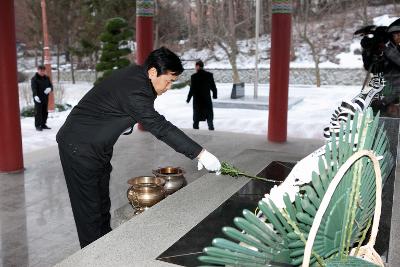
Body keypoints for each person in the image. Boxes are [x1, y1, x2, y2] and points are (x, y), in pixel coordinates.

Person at [56, 47, 221, 248]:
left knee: (101, 206)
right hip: (79, 147)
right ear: (153, 72)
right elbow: (160, 127)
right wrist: (200, 154)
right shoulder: (134, 89)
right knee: (89, 213)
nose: (169, 87)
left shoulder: (140, 77)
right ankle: (93, 256)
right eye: (168, 81)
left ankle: (105, 250)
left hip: (97, 147)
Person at [361, 19, 400, 117]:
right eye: (397, 35)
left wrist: (386, 47)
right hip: (384, 93)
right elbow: (372, 67)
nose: (399, 37)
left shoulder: (391, 49)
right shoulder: (387, 48)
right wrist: (369, 50)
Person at [186, 60, 218, 130]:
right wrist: (214, 95)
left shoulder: (194, 76)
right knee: (209, 116)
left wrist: (188, 99)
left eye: (195, 66)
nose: (195, 68)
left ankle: (196, 132)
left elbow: (192, 89)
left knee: (196, 118)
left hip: (198, 101)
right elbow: (213, 86)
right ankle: (211, 129)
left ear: (197, 66)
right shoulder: (209, 75)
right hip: (206, 99)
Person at [31, 65, 53, 131]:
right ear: (38, 70)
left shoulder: (47, 78)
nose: (42, 72)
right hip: (38, 98)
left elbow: (51, 86)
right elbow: (33, 88)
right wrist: (35, 96)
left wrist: (50, 89)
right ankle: (37, 125)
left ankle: (43, 124)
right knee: (38, 112)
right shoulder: (34, 79)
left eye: (43, 71)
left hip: (45, 97)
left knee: (44, 111)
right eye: (41, 71)